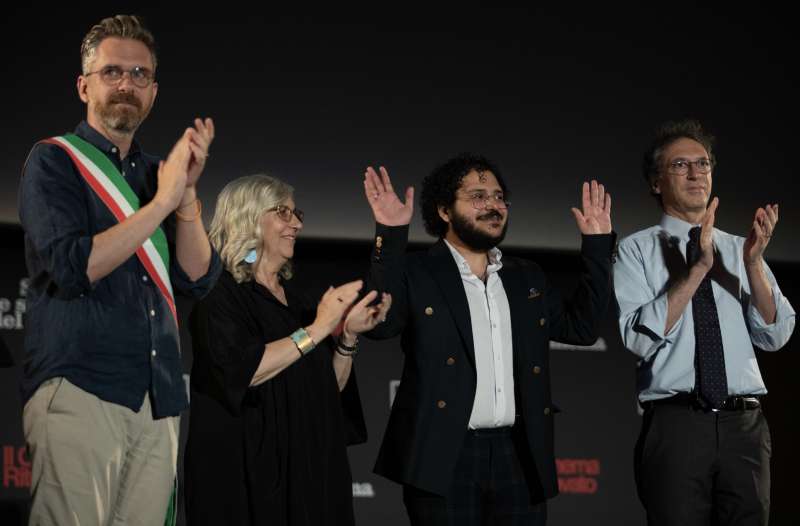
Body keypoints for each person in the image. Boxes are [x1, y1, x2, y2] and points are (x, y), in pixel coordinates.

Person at [18, 14, 221, 525]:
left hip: (158, 397)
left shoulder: (162, 174)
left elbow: (198, 276)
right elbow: (72, 266)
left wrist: (188, 194)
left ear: (153, 92)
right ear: (84, 85)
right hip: (82, 384)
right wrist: (160, 205)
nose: (126, 84)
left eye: (139, 75)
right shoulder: (54, 161)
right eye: (112, 72)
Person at [360, 154, 615, 525]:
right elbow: (381, 326)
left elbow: (582, 329)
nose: (493, 206)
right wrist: (390, 233)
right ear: (445, 210)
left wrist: (596, 245)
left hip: (520, 454)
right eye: (478, 197)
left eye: (498, 197)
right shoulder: (419, 271)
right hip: (443, 455)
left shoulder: (526, 276)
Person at [614, 119, 796, 525]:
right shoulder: (636, 250)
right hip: (677, 425)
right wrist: (696, 269)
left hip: (744, 427)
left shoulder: (742, 248)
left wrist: (752, 264)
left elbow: (776, 333)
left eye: (703, 163)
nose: (696, 173)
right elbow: (638, 338)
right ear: (656, 182)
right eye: (681, 165)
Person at [184, 174, 390, 525]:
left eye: (297, 214)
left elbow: (327, 388)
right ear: (248, 216)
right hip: (245, 475)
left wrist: (347, 338)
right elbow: (245, 370)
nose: (295, 223)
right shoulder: (218, 292)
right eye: (283, 212)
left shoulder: (300, 301)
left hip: (307, 471)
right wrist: (318, 329)